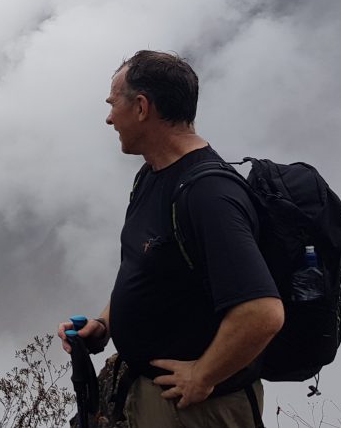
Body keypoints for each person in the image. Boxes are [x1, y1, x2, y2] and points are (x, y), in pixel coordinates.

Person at [57, 51, 285, 427]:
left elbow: (262, 312)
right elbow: (145, 270)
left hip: (197, 410)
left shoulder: (209, 194)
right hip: (145, 394)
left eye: (114, 104)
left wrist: (204, 375)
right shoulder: (152, 175)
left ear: (142, 107)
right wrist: (104, 325)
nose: (109, 118)